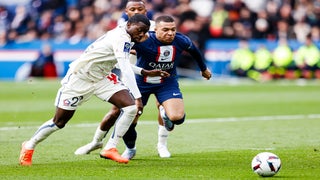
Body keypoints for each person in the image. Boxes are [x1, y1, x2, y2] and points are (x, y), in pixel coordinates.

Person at [19, 14, 155, 166]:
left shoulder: (127, 34)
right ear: (129, 25)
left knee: (130, 108)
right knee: (59, 122)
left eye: (145, 31)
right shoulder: (121, 38)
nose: (142, 34)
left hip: (102, 77)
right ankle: (29, 145)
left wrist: (142, 72)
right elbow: (124, 67)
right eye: (140, 30)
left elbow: (117, 62)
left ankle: (110, 147)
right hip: (80, 78)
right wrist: (138, 97)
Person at [75, 15, 212, 160]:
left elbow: (195, 51)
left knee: (177, 118)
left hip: (166, 82)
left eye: (173, 29)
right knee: (130, 119)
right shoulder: (142, 40)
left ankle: (165, 121)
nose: (170, 33)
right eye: (165, 30)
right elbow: (121, 53)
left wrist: (203, 69)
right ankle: (130, 149)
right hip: (141, 83)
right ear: (156, 30)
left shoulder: (181, 40)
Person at [75, 0, 173, 158]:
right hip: (131, 72)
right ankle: (99, 142)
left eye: (139, 9)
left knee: (163, 105)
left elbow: (168, 44)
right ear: (126, 12)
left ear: (145, 11)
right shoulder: (122, 28)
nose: (136, 12)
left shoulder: (157, 26)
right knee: (117, 110)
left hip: (154, 70)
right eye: (132, 9)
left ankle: (162, 145)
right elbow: (122, 55)